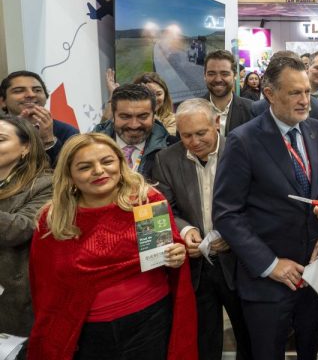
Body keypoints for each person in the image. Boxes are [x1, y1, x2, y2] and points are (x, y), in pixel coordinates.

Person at [27, 133, 197, 359]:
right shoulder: (54, 218)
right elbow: (46, 285)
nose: (99, 171)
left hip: (150, 322)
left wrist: (176, 255)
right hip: (86, 331)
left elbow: (164, 256)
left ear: (120, 163)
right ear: (70, 175)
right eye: (85, 167)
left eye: (107, 161)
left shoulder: (145, 201)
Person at [213, 54, 318, 360]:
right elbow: (227, 213)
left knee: (309, 349)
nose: (305, 101)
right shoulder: (243, 140)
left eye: (307, 91)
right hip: (267, 282)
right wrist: (270, 265)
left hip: (313, 275)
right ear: (269, 93)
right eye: (295, 93)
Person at [152, 99, 252, 360]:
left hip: (239, 263)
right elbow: (164, 208)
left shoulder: (243, 151)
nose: (194, 142)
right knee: (204, 340)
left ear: (216, 123)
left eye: (201, 133)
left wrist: (233, 235)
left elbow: (257, 205)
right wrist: (185, 231)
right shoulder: (165, 159)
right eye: (186, 135)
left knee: (249, 336)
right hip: (196, 268)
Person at [0, 117, 52, 344]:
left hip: (15, 300)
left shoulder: (46, 183)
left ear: (26, 147)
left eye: (0, 139)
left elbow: (21, 228)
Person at [92, 84, 174, 177]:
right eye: (125, 117)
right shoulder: (88, 148)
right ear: (113, 116)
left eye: (143, 116)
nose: (134, 125)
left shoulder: (172, 149)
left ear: (153, 116)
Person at [0, 70, 79, 166]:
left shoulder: (68, 132)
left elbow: (70, 170)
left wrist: (48, 140)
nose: (31, 94)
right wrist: (18, 129)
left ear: (46, 97)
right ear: (2, 102)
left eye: (37, 90)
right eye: (19, 91)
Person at [103, 70, 178, 135]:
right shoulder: (126, 116)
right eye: (148, 94)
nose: (154, 99)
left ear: (165, 95)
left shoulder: (172, 120)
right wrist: (114, 97)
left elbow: (166, 141)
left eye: (158, 94)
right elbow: (102, 131)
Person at [202, 50, 255, 136]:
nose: (218, 79)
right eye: (211, 74)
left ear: (235, 75)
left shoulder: (251, 110)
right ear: (204, 75)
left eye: (225, 74)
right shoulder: (189, 111)